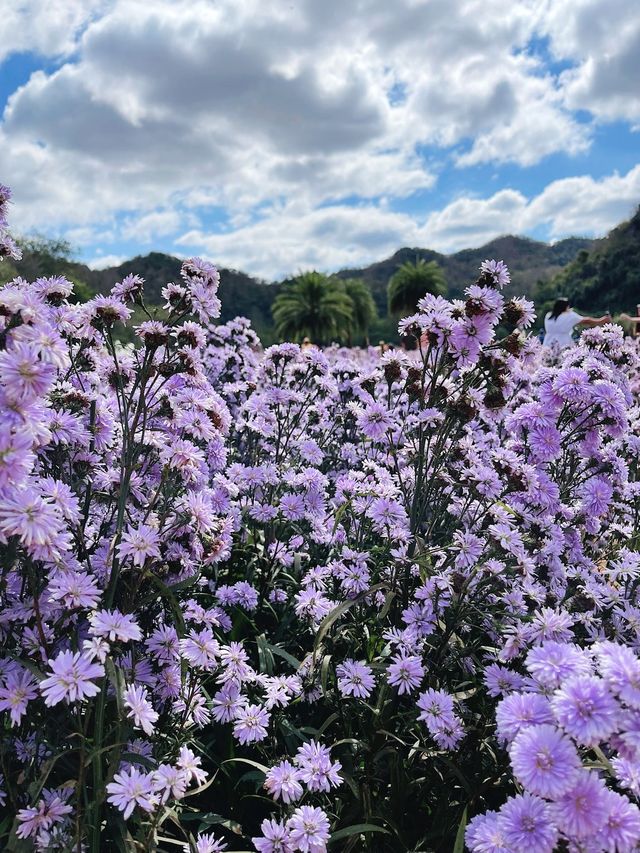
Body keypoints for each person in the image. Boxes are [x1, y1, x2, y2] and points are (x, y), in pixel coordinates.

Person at [542, 298, 610, 348]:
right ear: (566, 307)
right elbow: (587, 320)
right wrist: (602, 320)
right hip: (563, 342)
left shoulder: (548, 315)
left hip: (547, 342)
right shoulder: (570, 315)